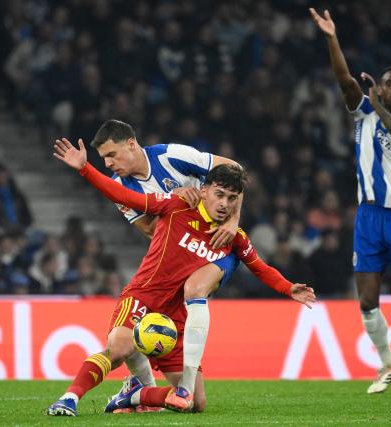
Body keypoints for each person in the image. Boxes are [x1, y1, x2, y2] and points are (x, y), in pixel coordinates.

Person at [47, 138, 315, 416]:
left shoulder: (232, 238)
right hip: (145, 296)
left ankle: (135, 393)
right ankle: (69, 399)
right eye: (219, 194)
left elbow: (259, 266)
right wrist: (85, 169)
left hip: (176, 317)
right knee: (118, 350)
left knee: (196, 404)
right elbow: (126, 197)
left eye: (231, 199)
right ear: (205, 190)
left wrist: (287, 288)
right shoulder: (176, 204)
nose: (224, 204)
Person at [310, 8, 391, 395]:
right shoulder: (362, 111)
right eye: (388, 84)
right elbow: (344, 80)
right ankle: (387, 366)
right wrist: (332, 38)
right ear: (380, 87)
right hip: (368, 217)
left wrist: (377, 104)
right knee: (366, 300)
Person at [88, 119, 245, 406]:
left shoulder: (171, 156)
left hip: (219, 243)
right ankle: (150, 389)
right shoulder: (120, 187)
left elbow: (234, 171)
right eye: (104, 159)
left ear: (131, 144)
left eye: (112, 155)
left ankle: (168, 386)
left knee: (197, 290)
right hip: (182, 254)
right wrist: (173, 202)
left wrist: (233, 222)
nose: (108, 163)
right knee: (197, 404)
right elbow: (149, 229)